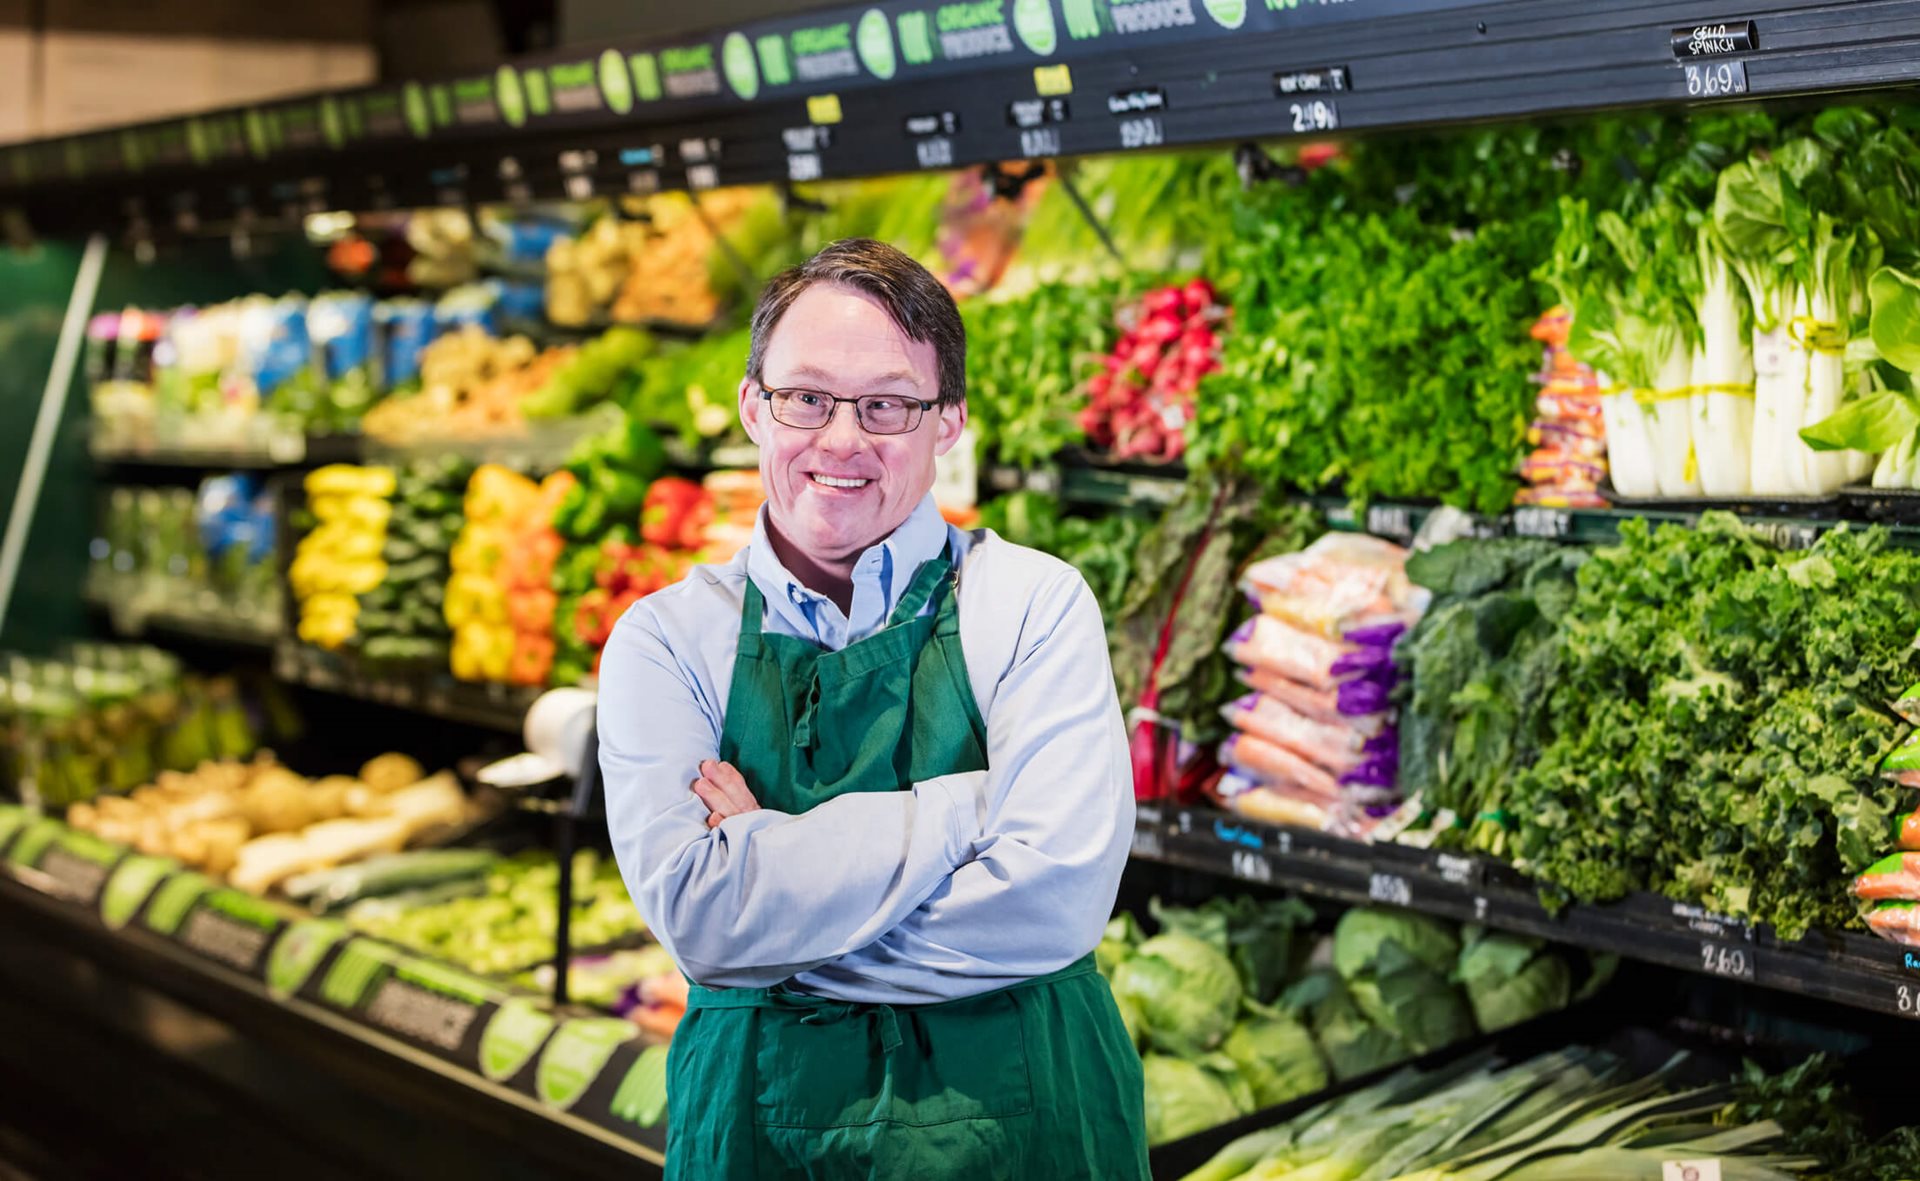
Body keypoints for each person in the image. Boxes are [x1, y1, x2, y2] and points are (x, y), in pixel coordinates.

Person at [598, 237, 1148, 1180]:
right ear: (752, 410)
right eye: (806, 397)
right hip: (760, 1132)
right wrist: (970, 811)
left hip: (1028, 1131)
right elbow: (704, 920)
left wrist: (777, 911)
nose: (842, 437)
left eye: (888, 403)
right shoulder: (665, 640)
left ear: (948, 424)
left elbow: (1053, 908)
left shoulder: (1032, 601)